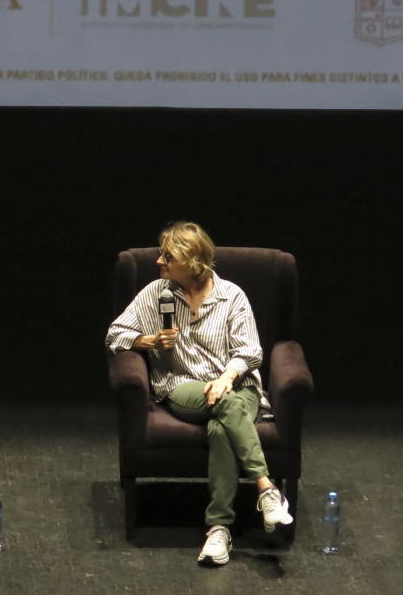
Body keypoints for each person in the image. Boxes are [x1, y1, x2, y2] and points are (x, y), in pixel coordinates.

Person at [105, 221, 292, 566]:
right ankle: (265, 488)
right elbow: (114, 335)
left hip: (238, 385)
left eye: (168, 256)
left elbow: (251, 350)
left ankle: (219, 530)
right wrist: (147, 341)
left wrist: (225, 378)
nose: (159, 261)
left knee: (223, 423)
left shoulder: (231, 296)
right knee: (226, 405)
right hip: (182, 383)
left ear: (191, 262)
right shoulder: (156, 293)